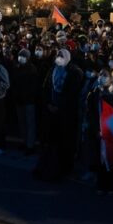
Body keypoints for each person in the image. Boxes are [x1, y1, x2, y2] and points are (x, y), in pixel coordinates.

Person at [34, 48, 83, 180]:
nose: (58, 58)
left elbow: (72, 94)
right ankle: (49, 167)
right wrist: (49, 103)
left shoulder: (75, 72)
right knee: (51, 141)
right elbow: (46, 88)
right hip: (51, 111)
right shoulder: (52, 70)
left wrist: (59, 106)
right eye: (57, 55)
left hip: (66, 113)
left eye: (61, 56)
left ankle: (65, 167)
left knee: (65, 141)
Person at [10, 48, 39, 155]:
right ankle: (24, 141)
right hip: (19, 100)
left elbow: (33, 86)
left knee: (30, 123)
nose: (21, 58)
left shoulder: (32, 69)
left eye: (23, 56)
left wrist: (27, 96)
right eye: (20, 56)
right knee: (22, 123)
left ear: (28, 58)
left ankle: (30, 145)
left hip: (29, 100)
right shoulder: (17, 68)